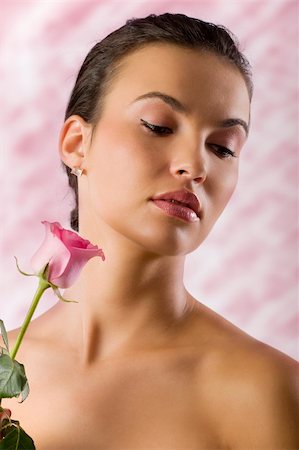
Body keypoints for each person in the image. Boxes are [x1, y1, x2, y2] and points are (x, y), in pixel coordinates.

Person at [1, 12, 298, 450]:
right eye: (159, 126)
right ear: (77, 144)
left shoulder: (269, 393)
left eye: (223, 148)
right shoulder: (7, 364)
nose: (195, 167)